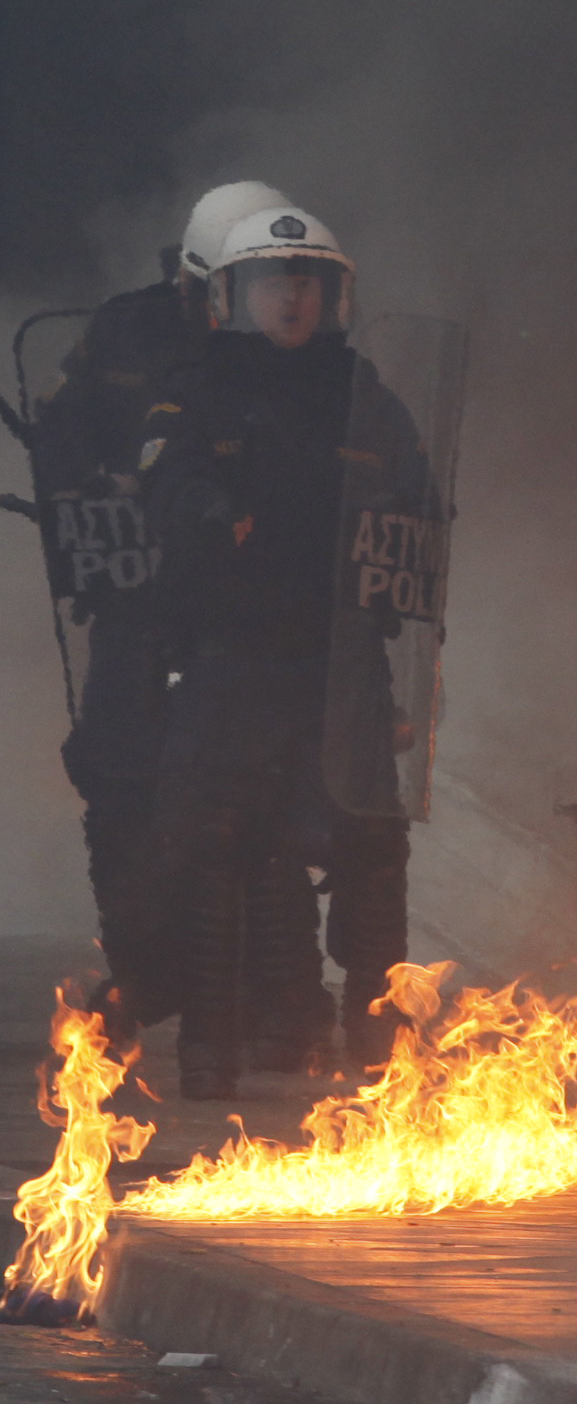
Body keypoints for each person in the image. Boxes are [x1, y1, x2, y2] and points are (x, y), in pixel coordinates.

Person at [30, 180, 320, 1051]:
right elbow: (63, 432)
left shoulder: (289, 349)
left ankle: (283, 998)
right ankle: (154, 974)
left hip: (248, 616)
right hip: (138, 602)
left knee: (258, 793)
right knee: (122, 779)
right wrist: (87, 490)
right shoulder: (124, 331)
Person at [142, 207, 421, 1097]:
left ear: (333, 295)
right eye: (273, 281)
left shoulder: (364, 395)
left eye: (308, 281)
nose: (292, 297)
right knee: (222, 852)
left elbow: (418, 520)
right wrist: (210, 511)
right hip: (233, 663)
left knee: (373, 851)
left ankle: (380, 1053)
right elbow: (165, 477)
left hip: (342, 665)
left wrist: (418, 652)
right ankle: (214, 1057)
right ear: (232, 295)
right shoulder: (197, 391)